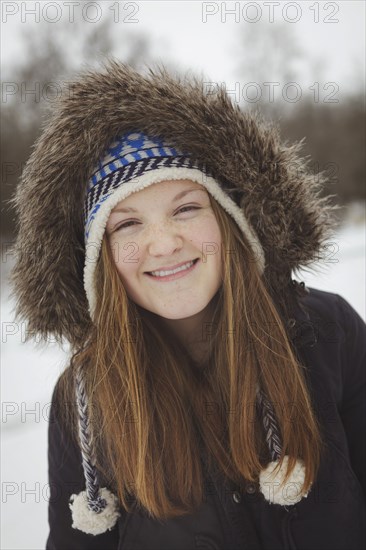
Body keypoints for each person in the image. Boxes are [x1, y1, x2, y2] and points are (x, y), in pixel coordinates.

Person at [9, 60, 365, 550]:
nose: (163, 244)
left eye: (186, 208)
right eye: (127, 224)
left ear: (230, 223)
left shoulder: (327, 332)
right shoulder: (82, 399)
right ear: (101, 259)